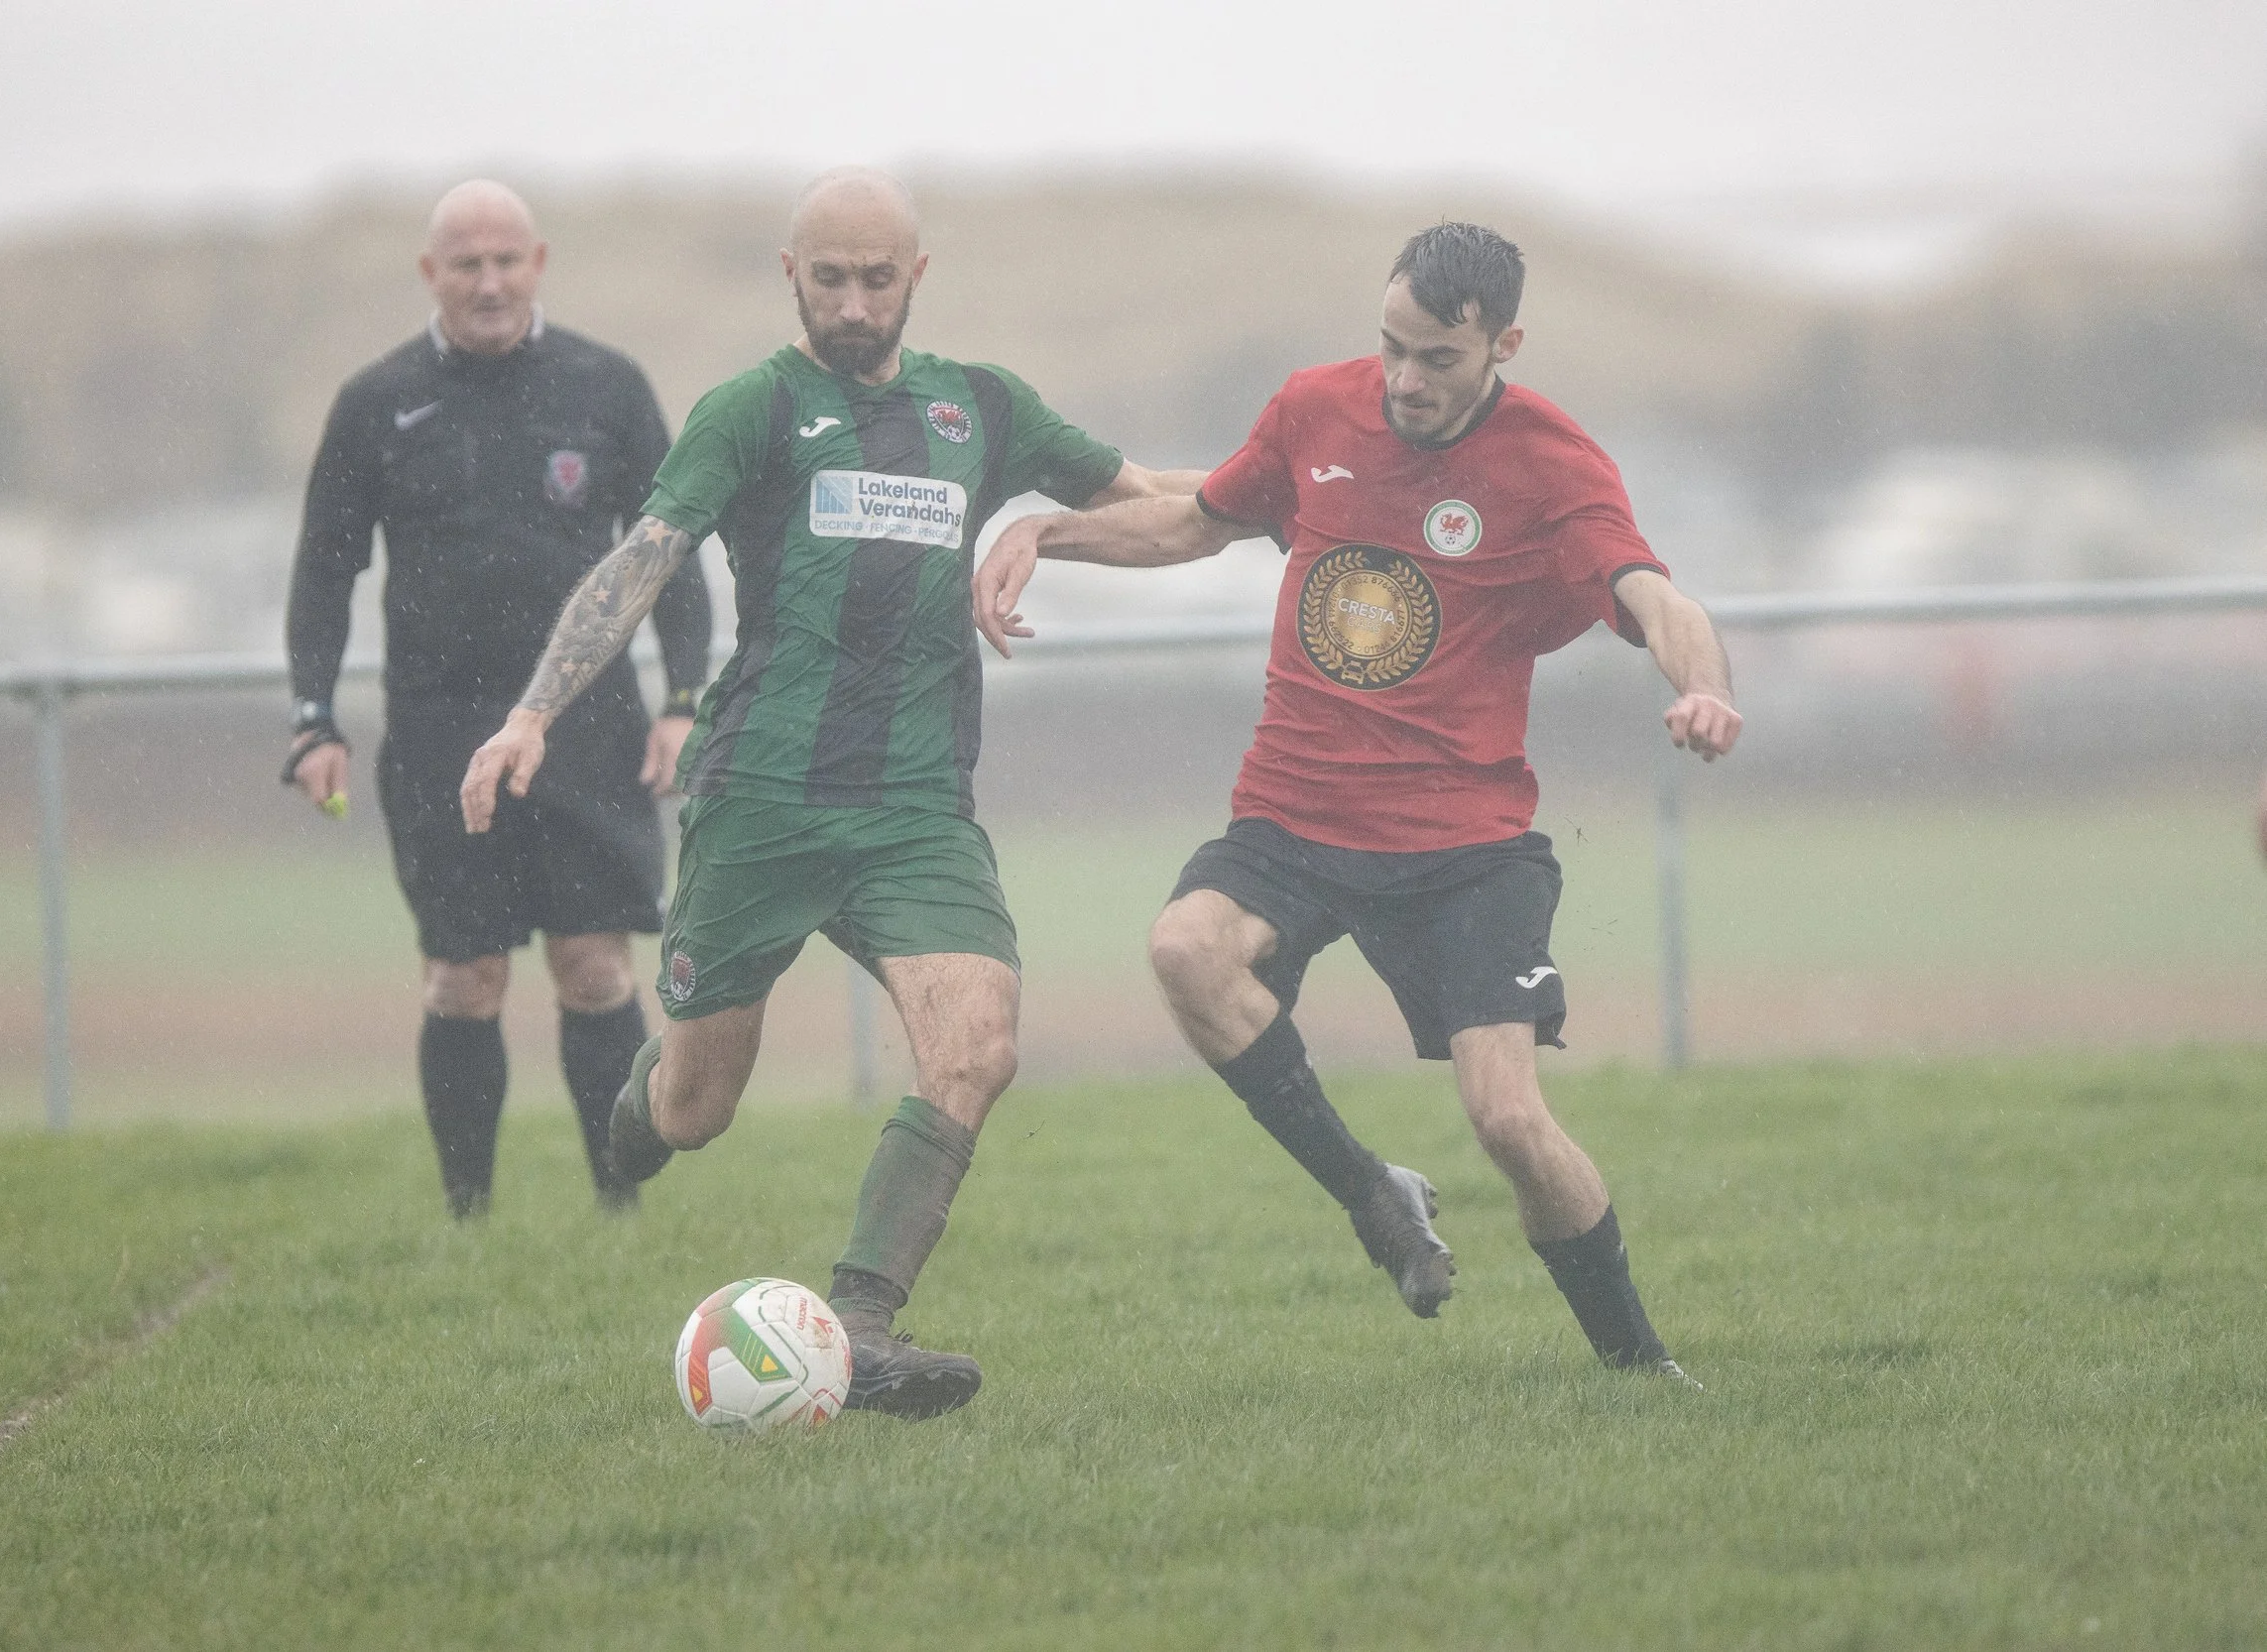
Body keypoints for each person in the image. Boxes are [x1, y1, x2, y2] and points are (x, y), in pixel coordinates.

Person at [458, 168, 1203, 1418]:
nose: (853, 304)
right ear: (789, 276)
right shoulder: (753, 407)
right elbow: (642, 558)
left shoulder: (981, 407)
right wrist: (534, 709)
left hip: (916, 807)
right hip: (759, 800)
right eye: (829, 278)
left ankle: (858, 1323)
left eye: (876, 279)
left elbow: (1148, 495)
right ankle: (639, 1109)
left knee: (979, 1045)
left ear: (918, 278)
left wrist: (1296, 497)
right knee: (699, 1107)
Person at [972, 221, 1740, 1384]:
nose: (1404, 380)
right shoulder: (1314, 411)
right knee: (1186, 948)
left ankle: (1640, 1371)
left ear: (1502, 346)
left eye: (1436, 358)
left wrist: (1707, 692)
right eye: (1390, 348)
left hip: (1466, 847)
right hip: (1294, 814)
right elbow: (1197, 518)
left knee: (1509, 1123)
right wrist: (1045, 530)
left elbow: (1653, 595)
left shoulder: (1554, 463)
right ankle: (1374, 1198)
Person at [284, 180, 713, 1220]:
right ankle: (466, 1215)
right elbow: (324, 569)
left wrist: (681, 698)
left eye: (506, 260)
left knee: (595, 967)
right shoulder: (375, 402)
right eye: (465, 264)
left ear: (539, 263)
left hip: (589, 722)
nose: (488, 282)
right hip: (439, 729)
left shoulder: (606, 387)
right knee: (463, 978)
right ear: (430, 274)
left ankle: (622, 1207)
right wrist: (313, 719)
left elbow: (669, 553)